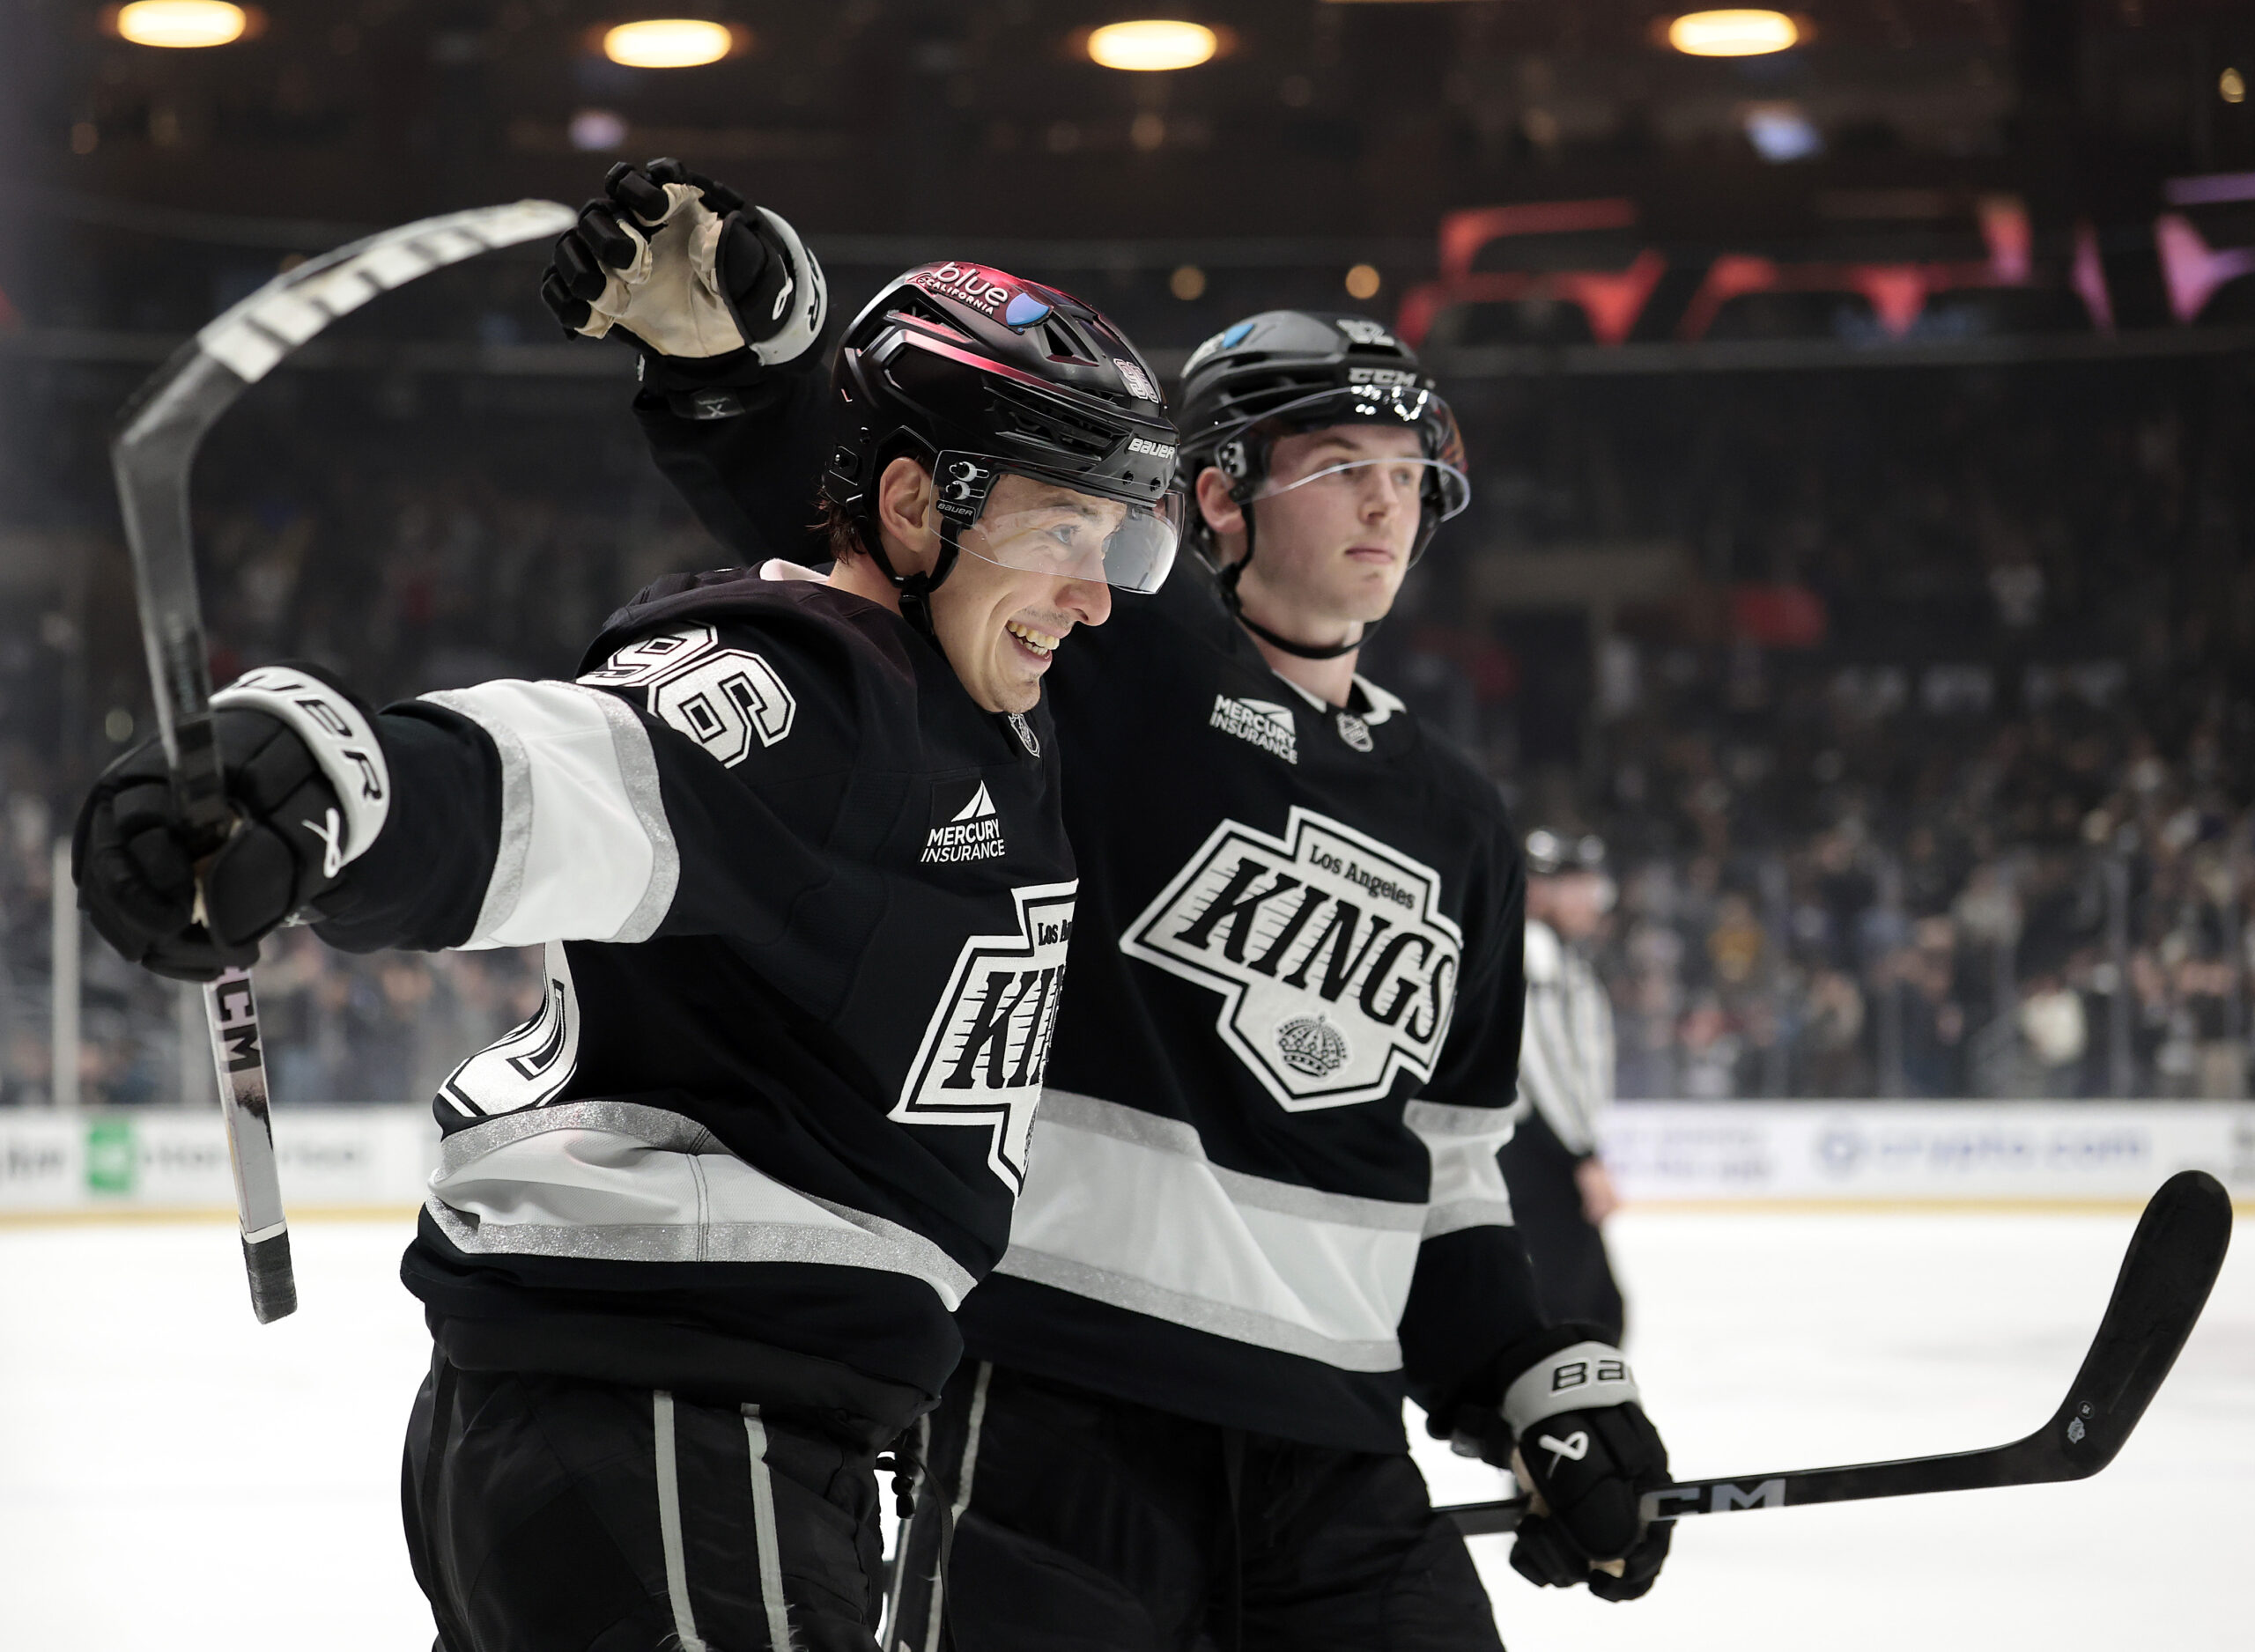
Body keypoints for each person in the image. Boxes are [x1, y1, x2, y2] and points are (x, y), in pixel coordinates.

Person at [73, 168, 1184, 1652]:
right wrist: (329, 788)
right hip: (675, 1433)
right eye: (1065, 532)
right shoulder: (813, 691)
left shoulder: (968, 693)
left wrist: (753, 366)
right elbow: (579, 773)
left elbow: (864, 507)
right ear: (919, 509)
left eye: (1118, 540)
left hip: (696, 1433)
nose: (1097, 596)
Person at [568, 163, 1675, 1651]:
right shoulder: (1118, 660)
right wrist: (734, 369)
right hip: (1056, 1413)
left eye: (1409, 476)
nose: (1383, 503)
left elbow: (1453, 1175)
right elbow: (901, 523)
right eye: (1340, 462)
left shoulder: (1463, 816)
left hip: (1343, 1457)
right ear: (1216, 492)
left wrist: (1533, 1378)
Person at [1500, 830, 1628, 1344]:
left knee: (1589, 1304)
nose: (1594, 900)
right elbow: (1541, 1062)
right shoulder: (1534, 952)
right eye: (1580, 886)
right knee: (1582, 1313)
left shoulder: (1550, 953)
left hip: (1543, 1152)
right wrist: (1583, 1155)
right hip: (1539, 1154)